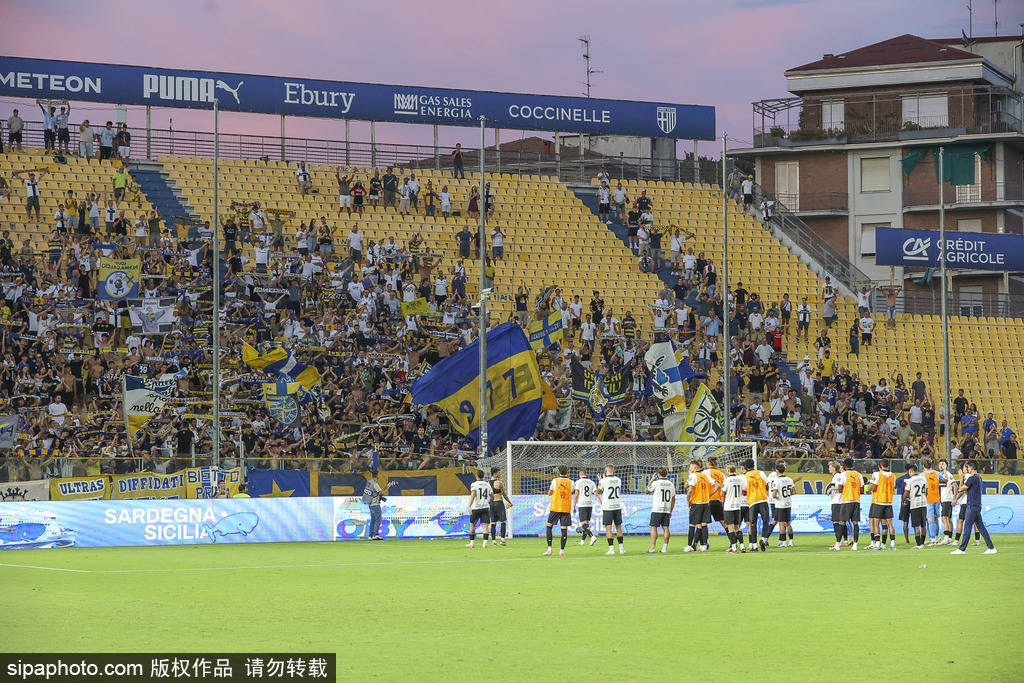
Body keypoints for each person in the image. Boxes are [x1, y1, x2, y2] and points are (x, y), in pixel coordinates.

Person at [950, 461, 997, 554]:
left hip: (972, 506)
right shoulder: (978, 477)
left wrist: (960, 477)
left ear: (971, 467)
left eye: (967, 467)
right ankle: (991, 548)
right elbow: (968, 490)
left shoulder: (972, 478)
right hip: (977, 505)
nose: (966, 469)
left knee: (967, 527)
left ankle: (962, 549)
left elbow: (960, 489)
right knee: (981, 527)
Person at [682, 460, 713, 552]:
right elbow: (717, 485)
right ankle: (704, 545)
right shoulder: (705, 475)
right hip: (706, 503)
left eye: (690, 467)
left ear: (695, 468)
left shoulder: (693, 475)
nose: (689, 469)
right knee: (703, 524)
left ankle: (689, 546)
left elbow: (690, 488)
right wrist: (709, 495)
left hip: (696, 503)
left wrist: (688, 500)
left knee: (692, 524)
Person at [866, 458, 896, 550]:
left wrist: (871, 486)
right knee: (890, 524)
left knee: (876, 523)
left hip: (878, 501)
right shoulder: (893, 476)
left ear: (880, 465)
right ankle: (892, 544)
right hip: (888, 501)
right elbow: (893, 487)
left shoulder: (876, 474)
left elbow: (871, 488)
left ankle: (877, 544)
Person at [595, 464, 625, 555]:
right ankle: (621, 549)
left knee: (608, 528)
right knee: (618, 527)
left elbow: (599, 491)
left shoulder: (604, 481)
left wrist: (600, 481)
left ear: (606, 471)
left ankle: (611, 549)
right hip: (617, 506)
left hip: (608, 507)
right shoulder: (618, 480)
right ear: (614, 470)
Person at [741, 459, 770, 552]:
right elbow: (767, 485)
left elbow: (744, 491)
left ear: (745, 467)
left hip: (752, 502)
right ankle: (764, 539)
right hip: (763, 500)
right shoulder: (761, 473)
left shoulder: (744, 477)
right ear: (754, 465)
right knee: (766, 521)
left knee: (753, 524)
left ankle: (754, 546)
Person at [544, 464, 573, 557]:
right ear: (567, 472)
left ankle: (549, 549)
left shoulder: (555, 481)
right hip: (566, 507)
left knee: (549, 526)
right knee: (564, 529)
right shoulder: (571, 482)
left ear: (559, 472)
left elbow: (550, 493)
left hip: (556, 507)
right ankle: (561, 551)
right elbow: (571, 492)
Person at [646, 468, 676, 553]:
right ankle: (664, 548)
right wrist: (670, 511)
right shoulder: (671, 484)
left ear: (658, 475)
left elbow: (647, 490)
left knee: (654, 527)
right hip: (666, 509)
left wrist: (651, 480)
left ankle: (652, 548)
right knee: (666, 528)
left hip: (657, 509)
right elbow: (673, 499)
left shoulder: (656, 483)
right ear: (666, 474)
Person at [722, 465, 747, 553]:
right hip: (738, 506)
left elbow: (722, 493)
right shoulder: (740, 480)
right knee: (737, 527)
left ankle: (734, 548)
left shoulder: (727, 480)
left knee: (730, 527)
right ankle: (742, 546)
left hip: (729, 506)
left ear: (728, 470)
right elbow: (744, 492)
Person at [769, 462, 795, 547]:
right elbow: (794, 492)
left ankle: (784, 542)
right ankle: (791, 541)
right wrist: (787, 495)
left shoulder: (776, 481)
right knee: (788, 523)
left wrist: (777, 497)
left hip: (780, 505)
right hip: (788, 503)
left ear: (777, 470)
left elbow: (774, 495)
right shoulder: (789, 480)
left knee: (781, 523)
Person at [903, 464, 928, 549]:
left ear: (910, 471)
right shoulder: (924, 479)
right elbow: (927, 492)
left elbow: (906, 492)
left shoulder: (910, 480)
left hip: (915, 505)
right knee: (923, 525)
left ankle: (918, 544)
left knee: (916, 526)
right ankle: (922, 543)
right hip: (924, 504)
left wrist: (903, 500)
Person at [466, 469, 492, 549]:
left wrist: (469, 506)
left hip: (476, 508)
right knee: (485, 526)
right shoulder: (488, 485)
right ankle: (484, 544)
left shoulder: (474, 484)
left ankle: (472, 543)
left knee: (472, 525)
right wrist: (488, 502)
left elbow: (473, 495)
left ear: (476, 476)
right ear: (483, 476)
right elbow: (492, 496)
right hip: (485, 507)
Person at [921, 457, 944, 545]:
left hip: (928, 499)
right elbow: (944, 480)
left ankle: (933, 538)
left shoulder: (922, 475)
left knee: (930, 519)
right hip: (937, 498)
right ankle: (936, 536)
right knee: (935, 518)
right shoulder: (937, 473)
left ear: (923, 465)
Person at [572, 469, 598, 546]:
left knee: (583, 524)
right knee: (586, 524)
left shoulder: (578, 482)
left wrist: (574, 506)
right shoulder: (592, 482)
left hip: (582, 504)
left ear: (580, 475)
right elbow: (596, 493)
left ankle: (592, 536)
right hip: (590, 504)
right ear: (586, 475)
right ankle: (582, 541)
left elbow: (576, 495)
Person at [488, 467, 511, 546]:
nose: (500, 474)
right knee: (503, 521)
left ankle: (493, 541)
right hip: (498, 503)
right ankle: (502, 539)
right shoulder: (499, 483)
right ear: (495, 473)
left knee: (493, 522)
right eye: (499, 472)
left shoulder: (488, 483)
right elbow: (504, 495)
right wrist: (509, 502)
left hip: (491, 504)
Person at [362, 470, 386, 541]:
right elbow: (382, 493)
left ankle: (370, 535)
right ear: (377, 475)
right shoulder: (375, 484)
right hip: (375, 504)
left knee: (373, 519)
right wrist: (388, 487)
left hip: (370, 503)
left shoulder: (369, 482)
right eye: (379, 474)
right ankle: (375, 535)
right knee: (378, 519)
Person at [937, 458, 955, 544]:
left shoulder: (948, 474)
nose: (941, 465)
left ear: (946, 465)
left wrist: (954, 498)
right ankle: (950, 539)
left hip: (947, 498)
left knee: (944, 517)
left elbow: (955, 485)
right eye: (940, 464)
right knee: (949, 518)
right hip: (943, 499)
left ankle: (946, 537)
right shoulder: (939, 475)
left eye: (943, 464)